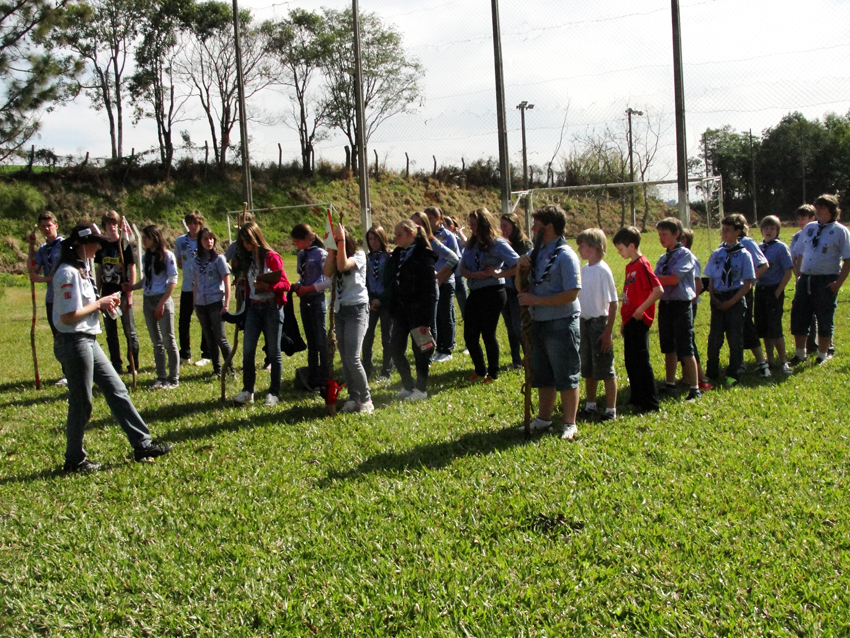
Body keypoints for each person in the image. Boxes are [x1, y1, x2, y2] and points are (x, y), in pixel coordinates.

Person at [54, 223, 171, 472]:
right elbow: (68, 316)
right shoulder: (67, 273)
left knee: (117, 389)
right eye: (96, 243)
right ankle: (74, 459)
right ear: (82, 245)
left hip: (88, 340)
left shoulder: (82, 269)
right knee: (82, 402)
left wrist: (105, 303)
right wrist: (100, 304)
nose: (99, 248)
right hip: (74, 341)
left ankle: (142, 444)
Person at [517, 206, 582, 440]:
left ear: (550, 227)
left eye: (537, 225)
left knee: (566, 374)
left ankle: (569, 423)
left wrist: (537, 300)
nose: (533, 230)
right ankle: (543, 420)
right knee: (543, 374)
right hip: (539, 322)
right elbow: (521, 289)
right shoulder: (535, 253)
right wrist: (520, 269)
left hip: (561, 322)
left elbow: (572, 293)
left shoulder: (566, 256)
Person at [231, 221, 290, 405]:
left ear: (256, 238)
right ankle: (248, 391)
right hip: (254, 309)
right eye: (243, 242)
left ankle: (274, 393)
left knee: (273, 352)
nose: (247, 245)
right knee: (248, 350)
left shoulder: (271, 257)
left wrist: (268, 286)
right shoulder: (247, 260)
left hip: (272, 307)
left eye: (249, 241)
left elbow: (285, 284)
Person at [459, 207, 519, 382]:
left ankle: (493, 373)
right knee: (470, 335)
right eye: (470, 223)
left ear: (484, 223)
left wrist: (500, 273)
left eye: (474, 223)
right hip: (475, 291)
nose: (471, 226)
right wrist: (473, 275)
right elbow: (462, 267)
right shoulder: (470, 244)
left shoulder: (497, 243)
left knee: (488, 333)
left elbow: (519, 263)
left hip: (493, 292)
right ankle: (480, 370)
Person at [789, 194, 850, 365]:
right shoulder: (810, 228)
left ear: (832, 210)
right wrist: (798, 275)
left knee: (824, 317)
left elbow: (848, 259)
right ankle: (800, 353)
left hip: (826, 279)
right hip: (806, 278)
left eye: (823, 207)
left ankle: (822, 355)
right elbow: (800, 252)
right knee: (799, 314)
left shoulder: (840, 231)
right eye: (818, 207)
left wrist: (838, 283)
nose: (819, 210)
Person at [613, 226, 663, 413]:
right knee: (630, 361)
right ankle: (636, 398)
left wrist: (640, 310)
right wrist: (624, 321)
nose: (619, 253)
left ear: (632, 246)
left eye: (621, 249)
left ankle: (650, 403)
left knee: (641, 361)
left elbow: (658, 290)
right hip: (629, 320)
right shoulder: (629, 267)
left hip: (639, 320)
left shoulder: (642, 264)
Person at [324, 221, 373, 414]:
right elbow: (327, 271)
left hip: (357, 309)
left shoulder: (359, 256)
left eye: (338, 242)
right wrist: (331, 249)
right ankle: (354, 398)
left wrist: (341, 240)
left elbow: (343, 265)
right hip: (340, 311)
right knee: (345, 358)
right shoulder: (335, 256)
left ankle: (366, 399)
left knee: (352, 357)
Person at [124, 225, 180, 389]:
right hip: (147, 299)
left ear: (155, 237)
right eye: (143, 237)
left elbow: (173, 280)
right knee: (157, 342)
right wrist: (132, 287)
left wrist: (162, 303)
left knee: (169, 340)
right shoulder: (145, 257)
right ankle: (161, 377)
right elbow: (147, 280)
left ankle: (173, 379)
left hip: (162, 299)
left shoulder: (167, 256)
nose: (144, 240)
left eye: (146, 237)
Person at [704, 215, 756, 384]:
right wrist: (713, 296)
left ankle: (734, 372)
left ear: (738, 232)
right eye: (723, 230)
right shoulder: (717, 253)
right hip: (718, 298)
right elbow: (711, 277)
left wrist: (731, 301)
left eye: (728, 230)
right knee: (714, 338)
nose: (724, 233)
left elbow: (748, 283)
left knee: (735, 338)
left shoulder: (744, 255)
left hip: (735, 299)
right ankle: (712, 371)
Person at [389, 220, 437, 400]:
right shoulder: (398, 254)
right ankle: (408, 385)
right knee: (395, 348)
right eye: (395, 235)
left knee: (421, 350)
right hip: (401, 310)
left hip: (419, 310)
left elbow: (430, 290)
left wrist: (427, 320)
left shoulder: (424, 255)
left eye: (399, 235)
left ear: (411, 234)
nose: (396, 238)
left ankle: (421, 389)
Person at [654, 217, 701, 402]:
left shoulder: (685, 255)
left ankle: (694, 388)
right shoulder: (663, 258)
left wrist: (655, 278)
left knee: (685, 347)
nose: (661, 238)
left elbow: (673, 279)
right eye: (659, 235)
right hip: (665, 304)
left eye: (665, 234)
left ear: (677, 234)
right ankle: (670, 383)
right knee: (668, 347)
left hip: (681, 305)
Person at [576, 228, 618, 421]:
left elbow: (613, 303)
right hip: (584, 323)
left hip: (599, 324)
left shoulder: (603, 270)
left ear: (594, 248)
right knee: (588, 367)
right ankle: (590, 405)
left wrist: (608, 331)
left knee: (605, 368)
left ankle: (611, 410)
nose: (579, 249)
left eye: (582, 245)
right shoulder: (585, 269)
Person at [95, 211, 140, 374]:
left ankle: (133, 364)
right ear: (104, 226)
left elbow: (132, 268)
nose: (112, 226)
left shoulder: (124, 244)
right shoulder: (101, 246)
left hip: (122, 293)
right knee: (110, 332)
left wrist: (130, 293)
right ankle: (116, 365)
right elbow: (100, 269)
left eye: (114, 223)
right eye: (109, 223)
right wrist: (98, 292)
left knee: (129, 331)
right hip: (107, 293)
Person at [410, 211, 459, 362]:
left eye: (418, 223)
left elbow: (454, 258)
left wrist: (438, 276)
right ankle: (424, 354)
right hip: (416, 290)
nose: (414, 226)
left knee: (436, 321)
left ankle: (438, 353)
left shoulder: (431, 241)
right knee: (419, 323)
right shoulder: (410, 243)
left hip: (435, 287)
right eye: (412, 223)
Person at [289, 224, 330, 391]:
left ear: (308, 239)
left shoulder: (321, 254)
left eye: (298, 241)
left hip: (317, 300)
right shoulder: (301, 254)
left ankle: (325, 375)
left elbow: (327, 280)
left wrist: (309, 289)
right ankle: (313, 376)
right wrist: (297, 285)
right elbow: (303, 276)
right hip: (304, 301)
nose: (296, 244)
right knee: (311, 342)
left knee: (321, 341)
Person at [28, 211, 67, 385]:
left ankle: (74, 371)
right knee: (57, 336)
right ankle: (66, 371)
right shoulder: (43, 250)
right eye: (43, 226)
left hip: (66, 296)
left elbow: (66, 275)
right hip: (51, 298)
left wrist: (42, 279)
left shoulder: (65, 246)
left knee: (68, 334)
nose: (46, 229)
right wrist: (31, 248)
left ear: (56, 225)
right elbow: (33, 269)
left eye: (49, 225)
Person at [729, 214, 770, 377]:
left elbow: (763, 265)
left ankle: (762, 363)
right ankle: (739, 363)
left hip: (743, 291)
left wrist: (749, 281)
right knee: (733, 327)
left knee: (746, 324)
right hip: (729, 292)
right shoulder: (727, 244)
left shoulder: (747, 242)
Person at [754, 216, 794, 374]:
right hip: (760, 289)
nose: (769, 231)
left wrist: (778, 292)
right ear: (761, 230)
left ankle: (783, 361)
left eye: (772, 228)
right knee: (764, 327)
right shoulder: (759, 247)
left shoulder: (781, 248)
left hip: (774, 289)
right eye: (766, 228)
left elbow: (788, 271)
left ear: (777, 231)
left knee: (775, 327)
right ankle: (769, 359)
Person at [424, 206, 462, 362]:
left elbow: (456, 258)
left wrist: (442, 277)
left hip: (446, 280)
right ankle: (438, 347)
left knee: (446, 315)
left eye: (431, 219)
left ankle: (447, 348)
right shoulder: (426, 236)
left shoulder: (448, 236)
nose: (428, 222)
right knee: (436, 317)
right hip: (431, 282)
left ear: (438, 219)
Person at [193, 227, 232, 377]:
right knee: (209, 338)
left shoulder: (219, 259)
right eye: (205, 238)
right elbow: (196, 283)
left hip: (215, 302)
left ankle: (230, 370)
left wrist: (226, 303)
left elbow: (226, 281)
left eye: (211, 238)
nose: (209, 241)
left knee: (220, 338)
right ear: (200, 241)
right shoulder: (196, 261)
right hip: (201, 303)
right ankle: (217, 369)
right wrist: (195, 303)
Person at [174, 211, 211, 367]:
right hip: (187, 286)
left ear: (200, 224)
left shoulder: (205, 239)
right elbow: (179, 262)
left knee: (204, 320)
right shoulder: (180, 241)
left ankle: (206, 354)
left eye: (196, 223)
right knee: (183, 321)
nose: (193, 226)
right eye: (190, 223)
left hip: (203, 287)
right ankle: (185, 354)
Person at [499, 212, 534, 370]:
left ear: (515, 226)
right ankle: (516, 360)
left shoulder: (524, 244)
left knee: (518, 327)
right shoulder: (502, 243)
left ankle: (529, 358)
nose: (502, 229)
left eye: (505, 226)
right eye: (501, 226)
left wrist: (500, 274)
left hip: (518, 290)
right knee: (510, 327)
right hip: (505, 288)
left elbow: (523, 267)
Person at [361, 224, 394, 381]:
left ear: (383, 238)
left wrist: (381, 300)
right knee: (367, 336)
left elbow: (392, 282)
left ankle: (386, 370)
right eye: (370, 239)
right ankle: (366, 368)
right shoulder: (367, 258)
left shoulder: (389, 257)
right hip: (370, 300)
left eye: (376, 239)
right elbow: (363, 281)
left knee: (387, 336)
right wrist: (370, 299)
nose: (373, 242)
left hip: (386, 301)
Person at [680, 228, 711, 391]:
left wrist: (689, 303)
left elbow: (698, 285)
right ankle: (686, 377)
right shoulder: (677, 258)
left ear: (683, 241)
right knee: (681, 341)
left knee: (688, 342)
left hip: (689, 305)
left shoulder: (691, 259)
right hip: (680, 304)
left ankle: (701, 379)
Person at [789, 204, 822, 356]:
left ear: (813, 218)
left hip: (815, 277)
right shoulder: (797, 236)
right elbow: (794, 257)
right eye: (799, 218)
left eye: (804, 218)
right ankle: (807, 345)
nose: (800, 222)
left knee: (819, 311)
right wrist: (797, 274)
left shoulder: (818, 234)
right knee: (803, 312)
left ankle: (819, 345)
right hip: (801, 277)